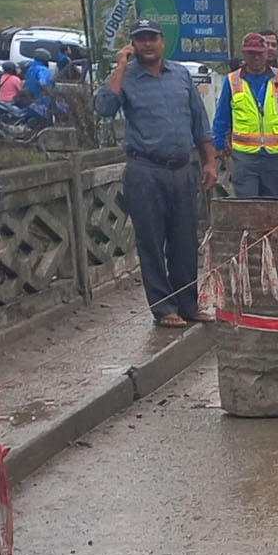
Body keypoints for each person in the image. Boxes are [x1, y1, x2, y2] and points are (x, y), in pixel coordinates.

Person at [95, 18, 215, 327]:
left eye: (152, 38)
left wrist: (209, 161)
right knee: (151, 241)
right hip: (145, 169)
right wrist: (120, 66)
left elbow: (199, 121)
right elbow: (105, 107)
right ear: (132, 45)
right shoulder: (126, 77)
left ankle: (189, 304)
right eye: (140, 39)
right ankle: (165, 310)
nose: (147, 44)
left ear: (162, 41)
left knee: (186, 240)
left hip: (182, 168)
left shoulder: (180, 76)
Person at [213, 31, 278, 198]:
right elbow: (222, 116)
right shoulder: (233, 81)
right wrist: (219, 143)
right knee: (247, 208)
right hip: (245, 157)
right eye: (251, 53)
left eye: (259, 53)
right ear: (244, 54)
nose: (255, 57)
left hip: (276, 156)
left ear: (265, 53)